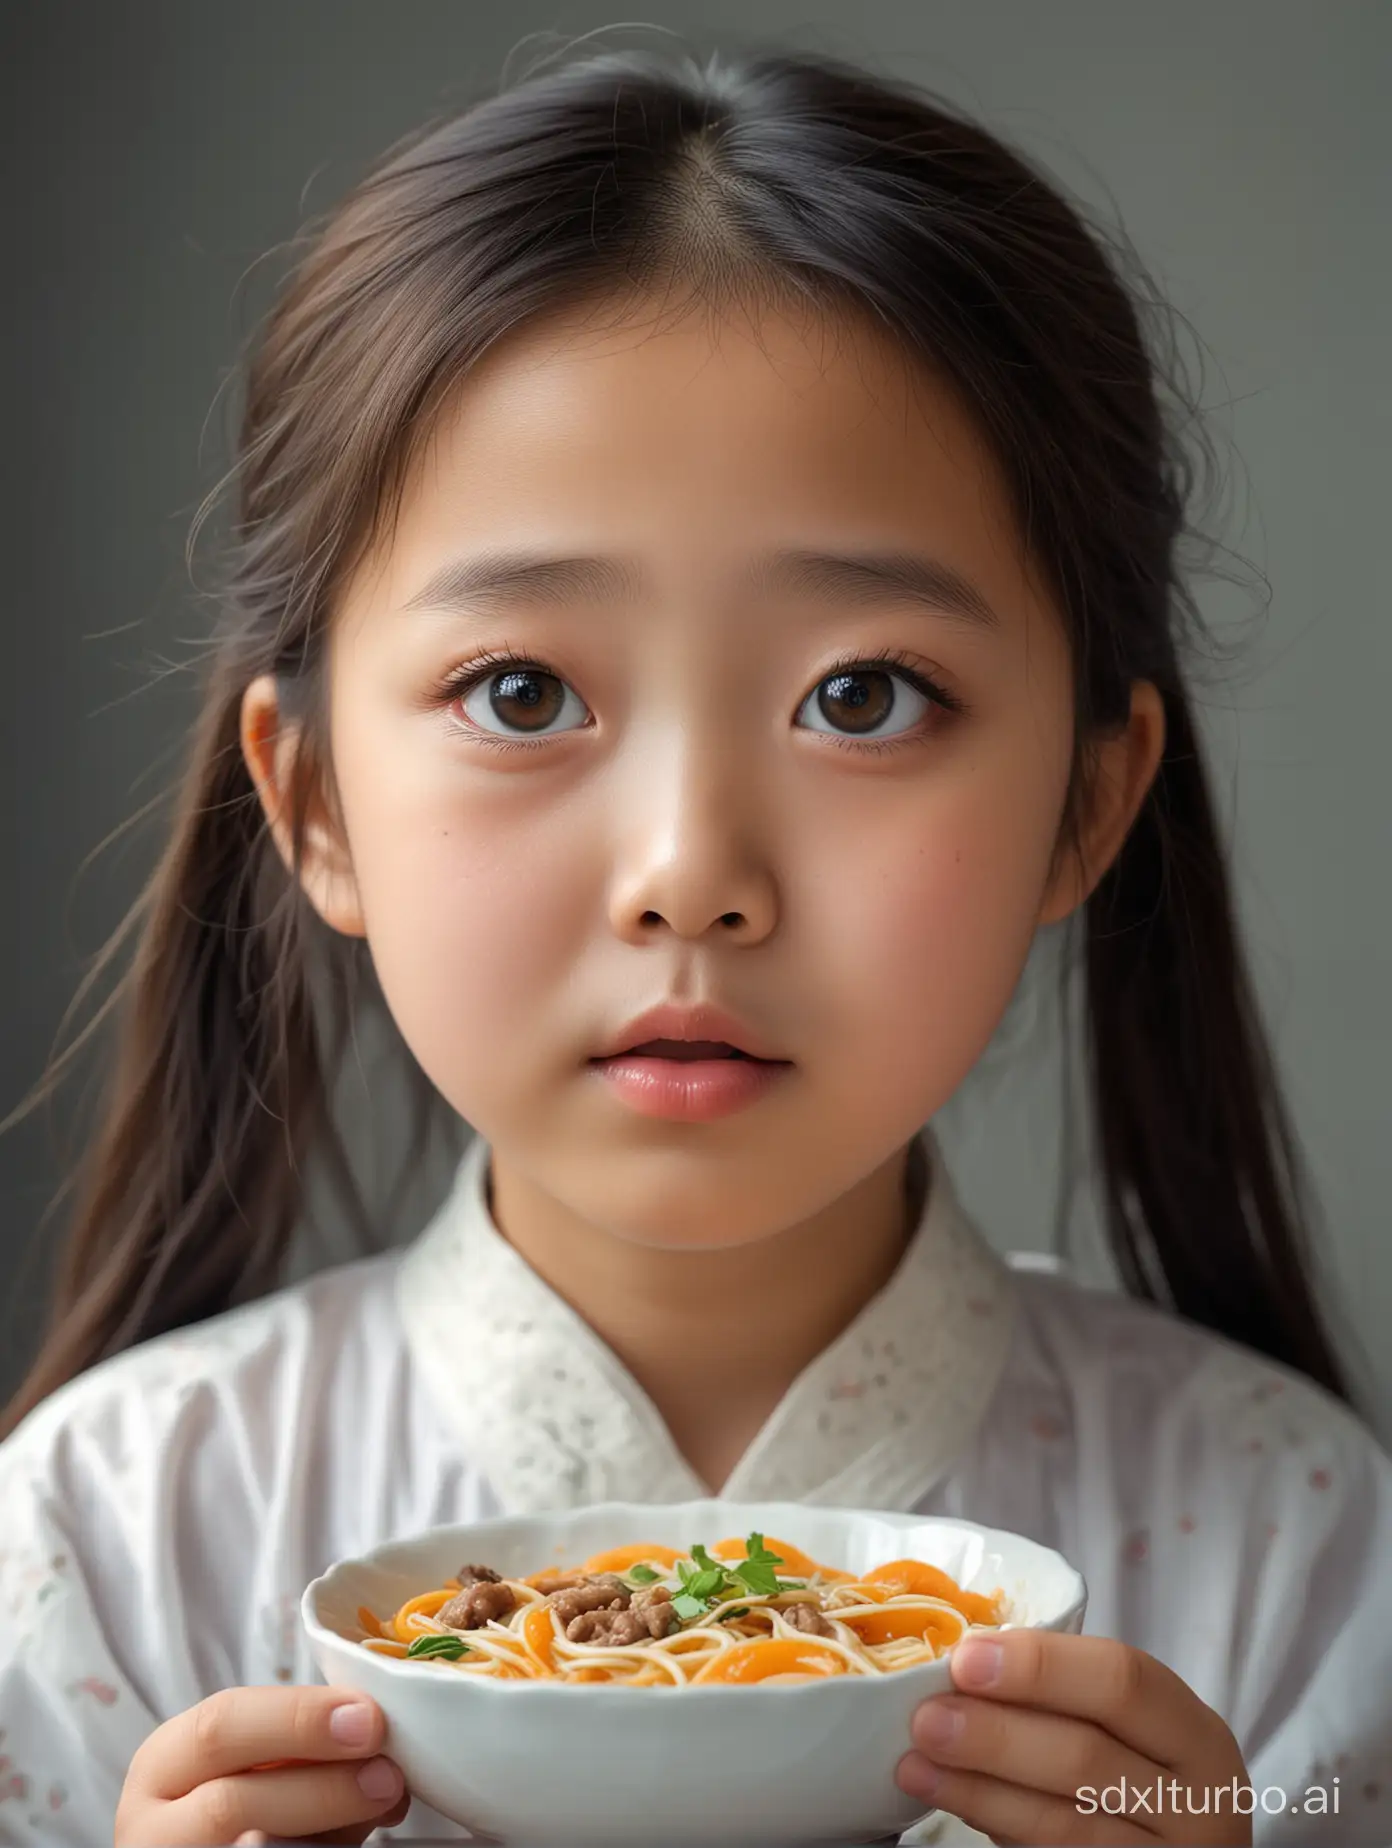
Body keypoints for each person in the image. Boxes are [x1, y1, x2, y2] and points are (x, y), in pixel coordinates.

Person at [0, 38, 1387, 1848]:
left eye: (864, 695)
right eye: (520, 690)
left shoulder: (1294, 1547)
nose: (689, 876)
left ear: (1087, 800)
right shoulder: (107, 1538)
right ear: (317, 797)